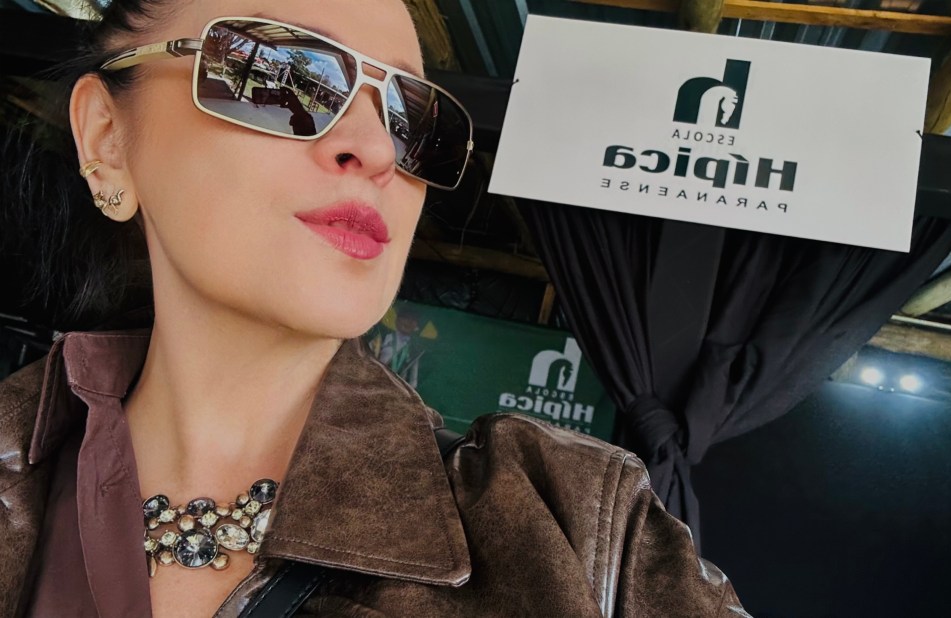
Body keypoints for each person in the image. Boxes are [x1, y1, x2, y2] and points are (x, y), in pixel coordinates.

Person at [0, 1, 752, 616]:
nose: (379, 149)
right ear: (107, 137)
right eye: (285, 74)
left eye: (410, 117)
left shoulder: (583, 534)